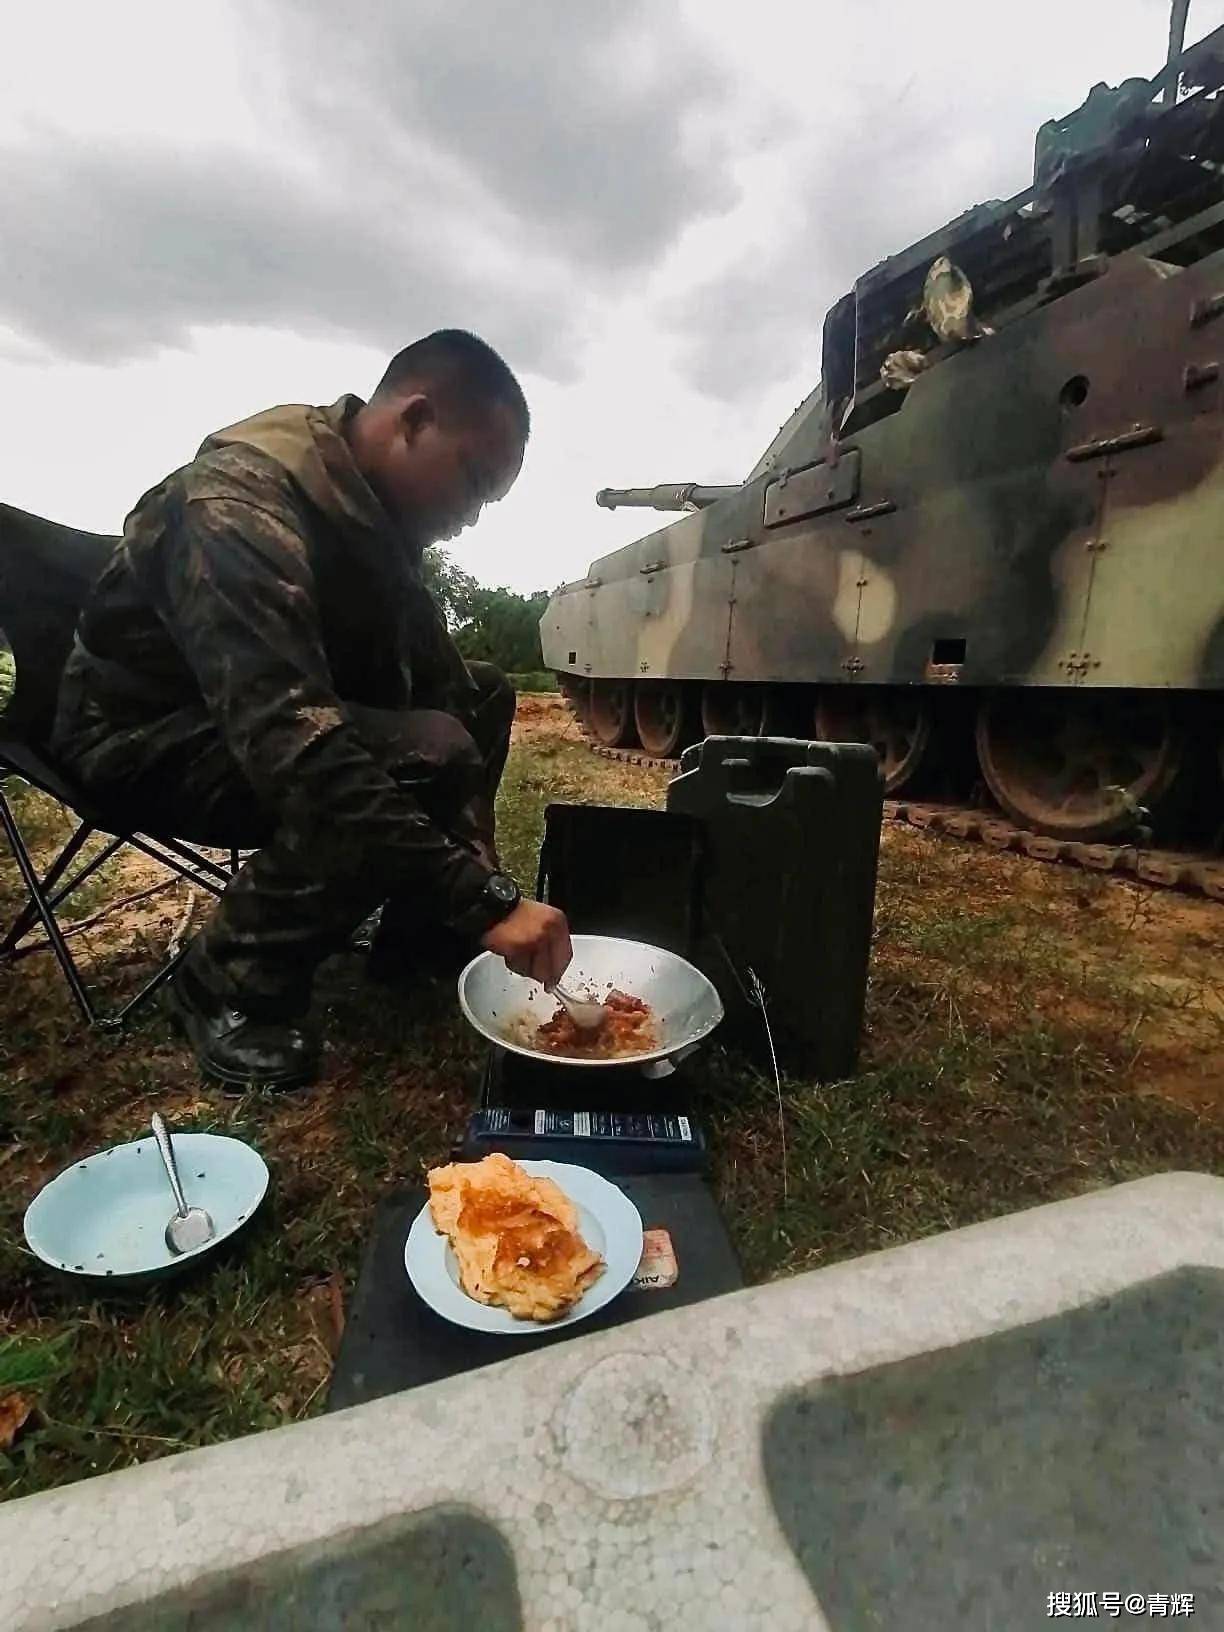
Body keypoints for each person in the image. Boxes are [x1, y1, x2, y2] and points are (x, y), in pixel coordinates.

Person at [50, 330, 573, 1090]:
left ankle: (420, 936)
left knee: (482, 693)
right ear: (415, 419)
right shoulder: (238, 502)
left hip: (259, 723)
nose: (472, 517)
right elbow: (294, 745)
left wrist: (470, 884)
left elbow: (442, 681)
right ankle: (230, 978)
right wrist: (481, 895)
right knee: (426, 749)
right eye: (473, 481)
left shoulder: (371, 517)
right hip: (142, 733)